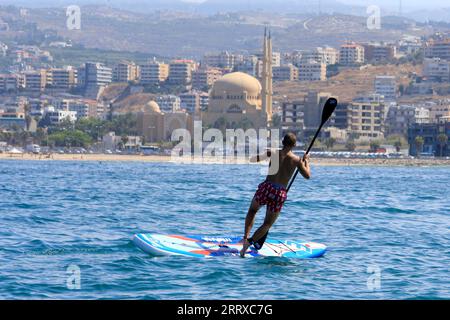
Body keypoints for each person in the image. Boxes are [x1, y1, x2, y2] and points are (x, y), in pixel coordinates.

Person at [240, 133, 311, 257]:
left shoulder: (273, 152)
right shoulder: (296, 160)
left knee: (252, 211)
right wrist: (306, 161)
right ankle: (249, 243)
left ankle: (245, 237)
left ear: (282, 142)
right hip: (279, 193)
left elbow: (253, 159)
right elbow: (307, 176)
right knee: (267, 224)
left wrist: (265, 153)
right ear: (294, 145)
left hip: (267, 187)